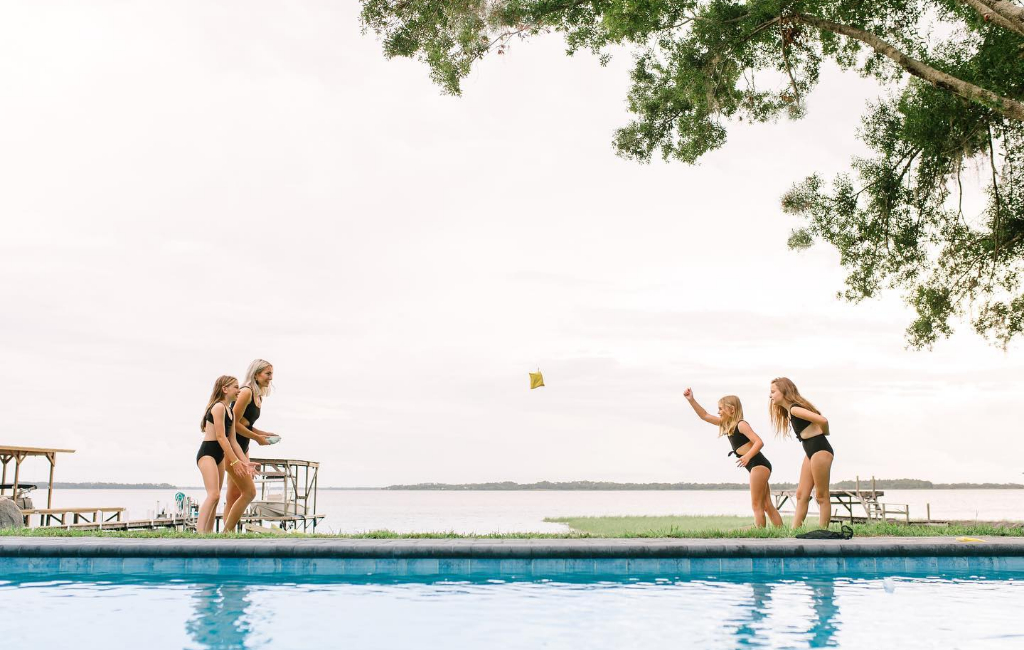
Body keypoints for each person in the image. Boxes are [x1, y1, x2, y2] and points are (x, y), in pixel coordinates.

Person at [684, 388, 783, 528]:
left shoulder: (741, 424)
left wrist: (747, 456)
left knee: (756, 505)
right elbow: (704, 415)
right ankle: (781, 531)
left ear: (731, 409)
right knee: (766, 504)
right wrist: (692, 400)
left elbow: (759, 442)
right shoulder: (726, 425)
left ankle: (760, 534)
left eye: (720, 409)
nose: (718, 412)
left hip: (758, 464)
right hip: (758, 465)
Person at [769, 377, 833, 528]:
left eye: (773, 392)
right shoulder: (790, 411)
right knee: (801, 494)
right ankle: (793, 533)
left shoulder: (794, 409)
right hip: (810, 451)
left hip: (820, 449)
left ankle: (823, 532)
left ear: (783, 391)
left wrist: (824, 433)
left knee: (821, 495)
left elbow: (823, 421)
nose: (770, 395)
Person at [225, 359, 279, 520]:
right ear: (256, 374)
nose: (270, 378)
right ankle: (227, 532)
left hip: (243, 446)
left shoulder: (258, 396)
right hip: (232, 446)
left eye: (272, 374)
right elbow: (232, 423)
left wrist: (263, 434)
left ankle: (226, 536)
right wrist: (257, 438)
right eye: (267, 374)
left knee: (234, 494)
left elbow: (245, 425)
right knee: (247, 492)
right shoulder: (246, 392)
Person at [195, 375, 248, 533]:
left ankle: (209, 534)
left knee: (216, 498)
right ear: (225, 389)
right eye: (236, 387)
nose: (239, 390)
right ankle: (199, 534)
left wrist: (245, 461)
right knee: (213, 494)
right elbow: (220, 437)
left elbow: (233, 441)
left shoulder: (230, 411)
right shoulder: (218, 407)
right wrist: (234, 462)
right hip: (208, 453)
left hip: (220, 455)